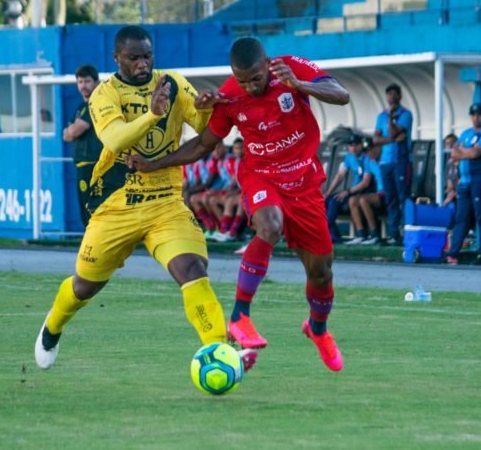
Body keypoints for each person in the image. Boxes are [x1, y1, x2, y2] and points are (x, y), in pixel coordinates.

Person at [34, 26, 257, 371]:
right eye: (134, 57)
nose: (143, 63)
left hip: (165, 202)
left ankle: (219, 350)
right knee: (85, 286)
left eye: (147, 56)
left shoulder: (172, 83)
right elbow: (115, 140)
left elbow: (206, 130)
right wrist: (152, 114)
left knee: (192, 269)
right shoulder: (104, 94)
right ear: (117, 58)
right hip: (116, 205)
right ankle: (53, 325)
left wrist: (206, 109)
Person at [128, 37, 351, 372]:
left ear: (267, 64)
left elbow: (341, 94)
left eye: (255, 79)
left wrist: (300, 85)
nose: (249, 87)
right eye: (242, 81)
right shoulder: (229, 96)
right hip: (261, 176)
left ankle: (318, 329)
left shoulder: (290, 68)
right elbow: (202, 145)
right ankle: (239, 316)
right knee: (269, 226)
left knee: (321, 273)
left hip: (304, 183)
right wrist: (154, 164)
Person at [445, 103, 481, 266]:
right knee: (461, 218)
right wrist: (466, 153)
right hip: (464, 181)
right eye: (473, 115)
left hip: (480, 180)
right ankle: (453, 254)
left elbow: (476, 153)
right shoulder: (466, 133)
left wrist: (464, 153)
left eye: (479, 114)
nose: (476, 118)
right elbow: (454, 153)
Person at [63, 64, 103, 227]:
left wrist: (72, 130)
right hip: (82, 165)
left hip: (92, 165)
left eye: (87, 81)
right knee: (85, 209)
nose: (83, 86)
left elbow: (74, 131)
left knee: (92, 209)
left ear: (96, 82)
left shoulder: (96, 104)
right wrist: (71, 130)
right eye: (80, 82)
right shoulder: (81, 108)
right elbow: (66, 136)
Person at [373, 83, 412, 245]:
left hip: (401, 161)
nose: (392, 97)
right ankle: (394, 233)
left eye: (395, 94)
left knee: (403, 197)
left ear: (400, 96)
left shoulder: (406, 114)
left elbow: (395, 131)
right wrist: (391, 139)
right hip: (385, 162)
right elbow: (376, 139)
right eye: (389, 94)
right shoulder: (381, 115)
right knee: (391, 198)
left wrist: (390, 118)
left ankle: (407, 231)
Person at [323, 135, 365, 243]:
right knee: (326, 201)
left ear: (361, 145)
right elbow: (340, 176)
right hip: (352, 191)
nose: (353, 148)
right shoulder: (350, 157)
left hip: (362, 191)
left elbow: (366, 182)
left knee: (334, 201)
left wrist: (347, 192)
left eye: (356, 145)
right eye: (351, 145)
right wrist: (327, 193)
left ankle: (332, 235)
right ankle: (333, 235)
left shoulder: (366, 157)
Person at [344, 141, 385, 245]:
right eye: (368, 150)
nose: (370, 152)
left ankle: (375, 235)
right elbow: (366, 180)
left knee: (363, 200)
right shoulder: (370, 162)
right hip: (377, 193)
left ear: (379, 148)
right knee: (352, 200)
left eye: (372, 149)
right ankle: (361, 235)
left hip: (387, 193)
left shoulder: (385, 161)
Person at [443, 133, 459, 207]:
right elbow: (449, 183)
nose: (449, 146)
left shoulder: (461, 160)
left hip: (459, 192)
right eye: (447, 144)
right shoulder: (449, 161)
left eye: (451, 143)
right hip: (452, 192)